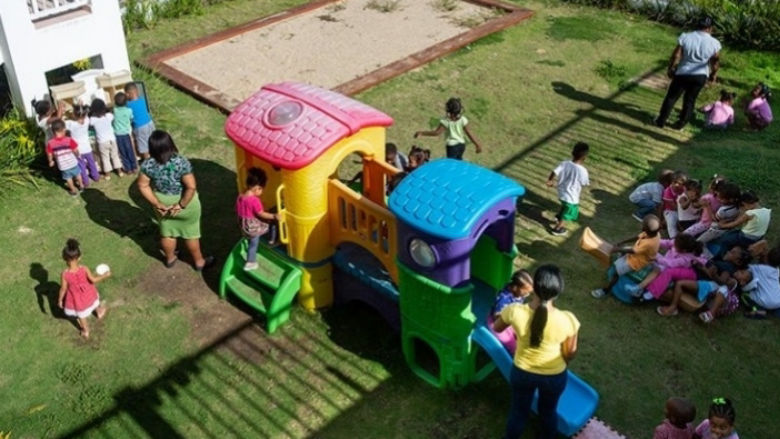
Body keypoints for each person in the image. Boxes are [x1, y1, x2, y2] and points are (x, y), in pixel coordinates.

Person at [493, 265, 579, 439]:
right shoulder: (568, 319)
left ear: (534, 288)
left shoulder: (514, 311)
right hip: (554, 376)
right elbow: (570, 354)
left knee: (518, 412)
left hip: (522, 372)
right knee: (548, 412)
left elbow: (497, 327)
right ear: (558, 291)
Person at [137, 130, 214, 271]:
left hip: (163, 204)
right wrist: (181, 205)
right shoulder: (181, 162)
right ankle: (199, 262)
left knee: (167, 232)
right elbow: (191, 187)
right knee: (191, 233)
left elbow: (142, 185)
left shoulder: (148, 164)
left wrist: (156, 203)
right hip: (186, 203)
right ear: (170, 144)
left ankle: (170, 258)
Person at [654, 16, 721, 130]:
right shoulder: (715, 43)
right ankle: (681, 123)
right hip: (700, 75)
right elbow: (715, 61)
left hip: (683, 72)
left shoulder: (686, 37)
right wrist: (713, 75)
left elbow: (676, 55)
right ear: (710, 28)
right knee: (690, 100)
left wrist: (671, 68)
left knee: (671, 97)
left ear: (697, 25)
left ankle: (661, 121)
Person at [591, 215, 661, 299]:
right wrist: (623, 242)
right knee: (620, 256)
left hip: (637, 262)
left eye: (642, 225)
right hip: (638, 255)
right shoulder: (655, 234)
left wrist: (617, 249)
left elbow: (633, 250)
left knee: (616, 273)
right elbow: (638, 237)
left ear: (644, 229)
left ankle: (606, 290)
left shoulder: (649, 243)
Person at [57, 239, 109, 339]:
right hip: (89, 293)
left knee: (81, 315)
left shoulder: (65, 274)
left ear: (64, 258)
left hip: (76, 299)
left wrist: (60, 300)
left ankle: (86, 330)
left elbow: (63, 289)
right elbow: (93, 279)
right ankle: (99, 312)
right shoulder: (84, 268)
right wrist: (105, 276)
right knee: (94, 302)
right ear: (79, 257)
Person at [237, 168, 279, 270]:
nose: (261, 191)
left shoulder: (241, 196)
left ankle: (252, 259)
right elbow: (261, 214)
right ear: (257, 188)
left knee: (252, 241)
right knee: (271, 224)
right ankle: (251, 261)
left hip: (244, 224)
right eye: (261, 189)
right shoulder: (254, 200)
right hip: (252, 227)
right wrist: (274, 216)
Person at [414, 97, 483, 160]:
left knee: (451, 164)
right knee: (458, 162)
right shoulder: (463, 120)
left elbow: (436, 133)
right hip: (461, 145)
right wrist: (477, 145)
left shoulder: (446, 121)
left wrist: (421, 133)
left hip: (452, 147)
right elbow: (469, 134)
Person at [546, 142, 590, 236]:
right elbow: (584, 183)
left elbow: (554, 172)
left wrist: (550, 180)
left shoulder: (564, 163)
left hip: (561, 192)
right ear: (585, 157)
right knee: (569, 213)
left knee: (564, 206)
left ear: (572, 152)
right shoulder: (583, 171)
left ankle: (558, 216)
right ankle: (558, 228)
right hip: (572, 197)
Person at [710, 190, 771, 257]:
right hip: (759, 237)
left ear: (746, 203)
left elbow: (735, 223)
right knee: (732, 233)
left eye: (744, 205)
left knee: (725, 239)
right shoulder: (767, 211)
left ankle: (721, 257)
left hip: (746, 237)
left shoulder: (750, 213)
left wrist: (722, 225)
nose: (744, 208)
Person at [46, 119, 83, 196]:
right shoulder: (69, 140)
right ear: (64, 130)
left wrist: (51, 161)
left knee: (68, 178)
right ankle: (81, 186)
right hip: (73, 162)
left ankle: (73, 190)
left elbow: (49, 154)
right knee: (78, 174)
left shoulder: (50, 143)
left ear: (53, 132)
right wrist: (78, 155)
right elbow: (75, 150)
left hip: (63, 166)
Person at [66, 104, 100, 187]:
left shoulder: (71, 123)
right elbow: (85, 114)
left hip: (78, 149)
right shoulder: (87, 121)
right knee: (91, 163)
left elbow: (61, 123)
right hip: (87, 148)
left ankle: (86, 181)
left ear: (74, 114)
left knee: (82, 166)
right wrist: (81, 105)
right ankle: (96, 177)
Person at [90, 98, 123, 180]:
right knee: (115, 156)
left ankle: (107, 175)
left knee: (105, 158)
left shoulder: (93, 119)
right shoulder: (108, 116)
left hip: (102, 142)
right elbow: (112, 114)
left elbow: (90, 122)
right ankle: (120, 172)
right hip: (112, 139)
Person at [125, 82, 156, 161]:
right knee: (152, 141)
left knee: (143, 145)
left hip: (140, 126)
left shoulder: (128, 105)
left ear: (128, 94)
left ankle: (147, 162)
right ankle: (156, 157)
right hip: (149, 122)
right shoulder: (142, 99)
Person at [113, 92, 137, 174]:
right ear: (126, 102)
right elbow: (131, 118)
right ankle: (134, 167)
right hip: (127, 134)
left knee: (122, 152)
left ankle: (128, 169)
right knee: (130, 150)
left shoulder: (114, 111)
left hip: (118, 135)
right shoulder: (129, 110)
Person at [662, 171, 687, 238]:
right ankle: (674, 238)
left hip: (683, 208)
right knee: (671, 222)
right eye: (674, 182)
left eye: (680, 184)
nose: (676, 185)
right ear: (671, 182)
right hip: (670, 211)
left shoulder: (684, 190)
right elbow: (674, 207)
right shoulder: (668, 192)